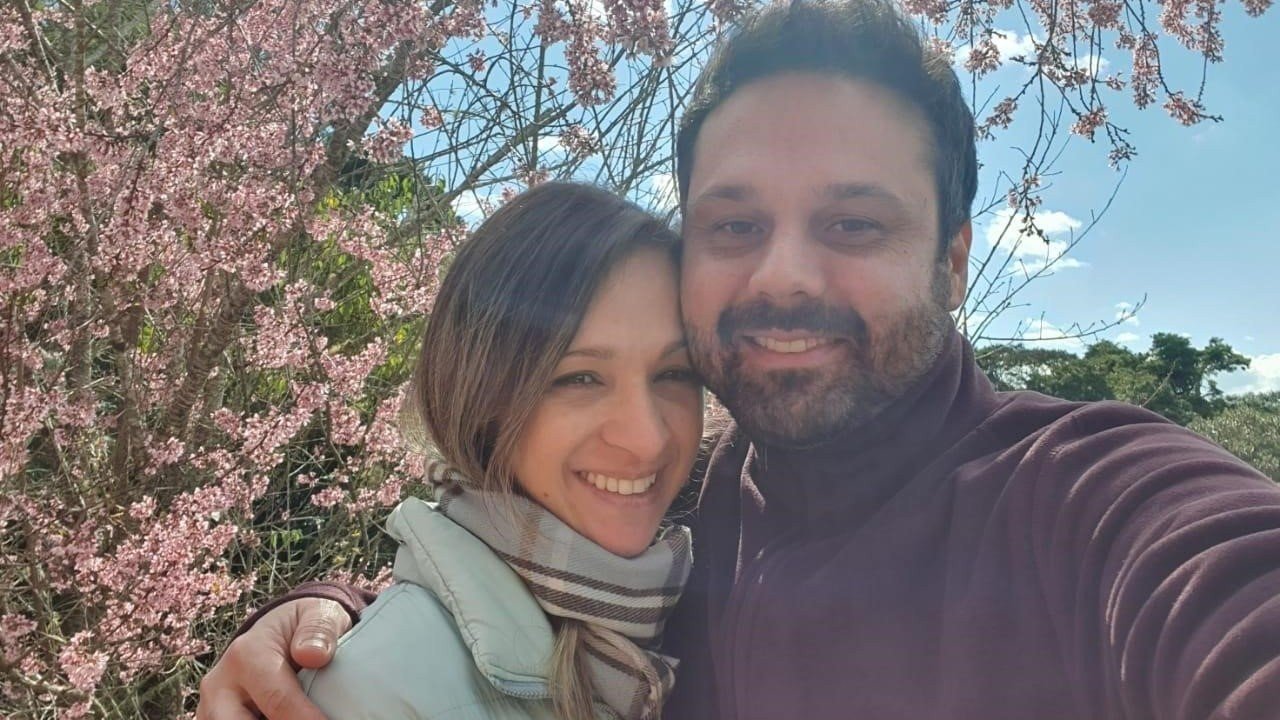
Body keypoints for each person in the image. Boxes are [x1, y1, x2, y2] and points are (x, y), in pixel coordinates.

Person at [197, 1, 1280, 718]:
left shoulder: (1083, 506)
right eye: (733, 225)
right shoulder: (686, 521)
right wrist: (327, 625)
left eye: (853, 224)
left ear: (952, 259)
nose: (782, 276)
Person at [260, 182, 704, 720]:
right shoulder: (380, 692)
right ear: (481, 399)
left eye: (675, 373)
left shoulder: (695, 602)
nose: (648, 437)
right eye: (580, 378)